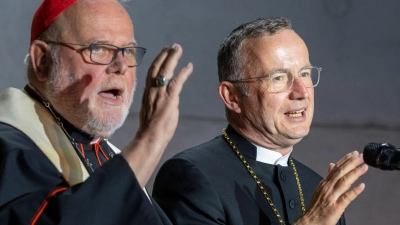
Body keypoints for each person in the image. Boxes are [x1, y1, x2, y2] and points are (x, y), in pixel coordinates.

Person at [153, 17, 367, 225]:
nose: (301, 92)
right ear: (232, 96)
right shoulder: (192, 176)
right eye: (279, 78)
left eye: (304, 73)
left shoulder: (317, 189)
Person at [0, 0, 192, 224]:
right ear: (43, 61)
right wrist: (151, 140)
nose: (120, 66)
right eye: (98, 48)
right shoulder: (8, 150)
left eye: (128, 51)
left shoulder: (108, 153)